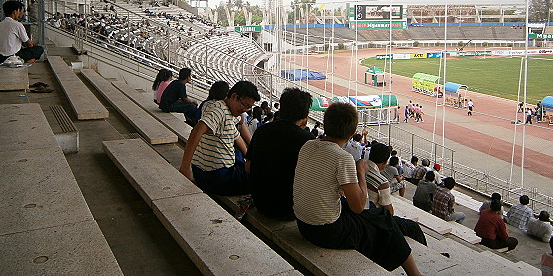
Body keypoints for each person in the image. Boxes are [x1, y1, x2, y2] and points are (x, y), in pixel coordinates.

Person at [292, 103, 423, 275]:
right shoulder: (342, 157)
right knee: (384, 219)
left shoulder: (308, 145)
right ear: (353, 132)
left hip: (303, 224)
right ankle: (415, 273)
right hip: (325, 231)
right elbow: (359, 206)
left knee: (375, 217)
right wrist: (360, 172)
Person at [179, 81, 260, 196]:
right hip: (218, 177)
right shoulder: (219, 111)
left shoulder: (224, 109)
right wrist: (185, 167)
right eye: (245, 105)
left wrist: (249, 155)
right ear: (234, 96)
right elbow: (196, 131)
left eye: (249, 108)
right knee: (262, 179)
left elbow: (237, 135)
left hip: (202, 173)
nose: (245, 110)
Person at [245, 87, 314, 220]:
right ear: (306, 113)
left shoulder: (262, 130)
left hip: (261, 203)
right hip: (288, 210)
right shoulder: (307, 140)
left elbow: (248, 167)